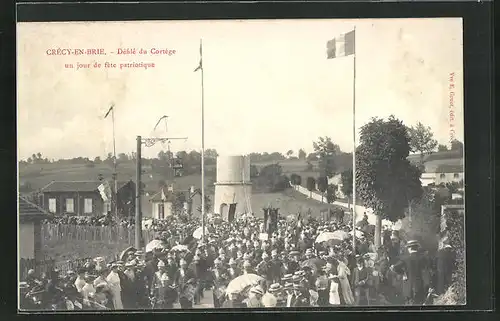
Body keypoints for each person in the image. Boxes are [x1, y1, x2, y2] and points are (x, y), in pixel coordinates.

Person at [391, 240, 431, 305]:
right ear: (417, 248)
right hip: (419, 287)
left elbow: (394, 268)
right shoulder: (422, 258)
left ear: (409, 248)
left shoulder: (405, 259)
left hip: (407, 288)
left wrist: (403, 273)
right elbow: (426, 271)